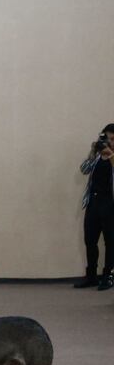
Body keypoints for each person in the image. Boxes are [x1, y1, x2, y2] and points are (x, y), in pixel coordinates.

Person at [75, 124, 114, 291]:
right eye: (107, 138)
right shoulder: (98, 156)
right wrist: (93, 152)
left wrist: (111, 155)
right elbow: (83, 169)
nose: (110, 142)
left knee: (110, 242)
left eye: (113, 139)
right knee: (90, 240)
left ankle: (108, 276)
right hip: (94, 202)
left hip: (110, 202)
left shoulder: (111, 155)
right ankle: (91, 275)